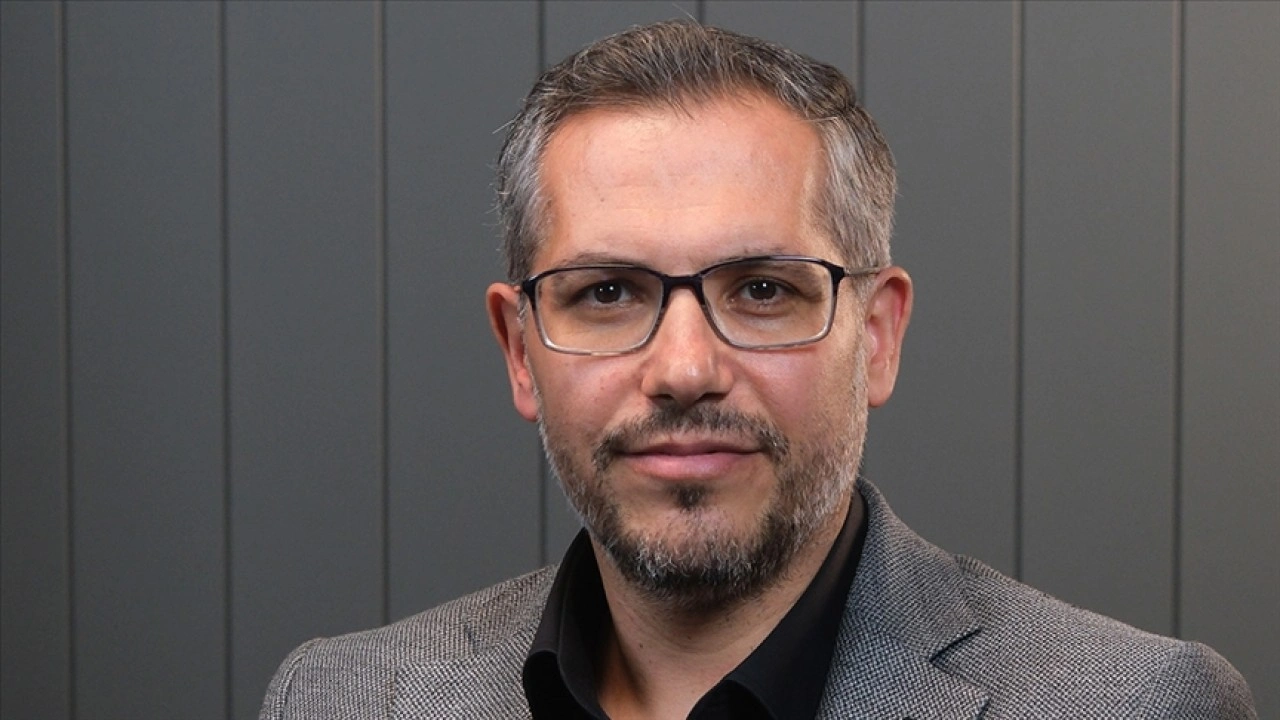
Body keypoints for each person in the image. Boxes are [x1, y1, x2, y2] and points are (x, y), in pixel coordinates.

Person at [260, 21, 1256, 719]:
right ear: (521, 352)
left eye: (763, 290)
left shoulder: (1135, 704)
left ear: (876, 336)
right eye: (607, 293)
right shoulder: (341, 699)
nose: (683, 368)